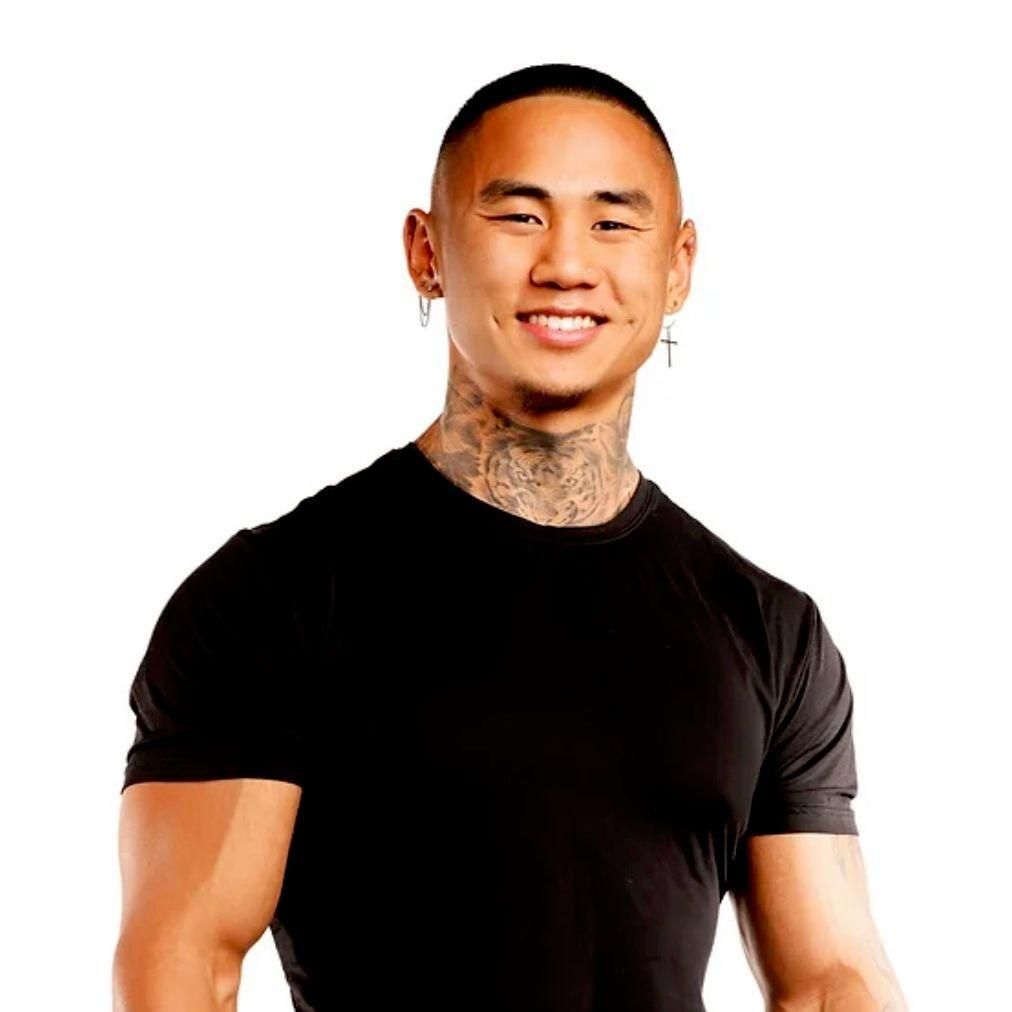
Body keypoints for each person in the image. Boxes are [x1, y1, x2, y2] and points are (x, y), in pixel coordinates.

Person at [113, 62, 908, 1012]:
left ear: (679, 267)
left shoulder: (770, 632)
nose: (566, 264)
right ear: (428, 252)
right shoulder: (271, 598)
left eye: (613, 223)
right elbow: (183, 964)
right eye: (520, 215)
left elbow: (831, 978)